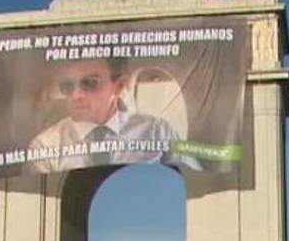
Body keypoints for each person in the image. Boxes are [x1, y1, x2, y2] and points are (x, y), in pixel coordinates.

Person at [26, 58, 199, 174]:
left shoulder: (158, 132)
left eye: (90, 83)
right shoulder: (44, 147)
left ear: (120, 86)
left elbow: (194, 182)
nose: (76, 95)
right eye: (67, 86)